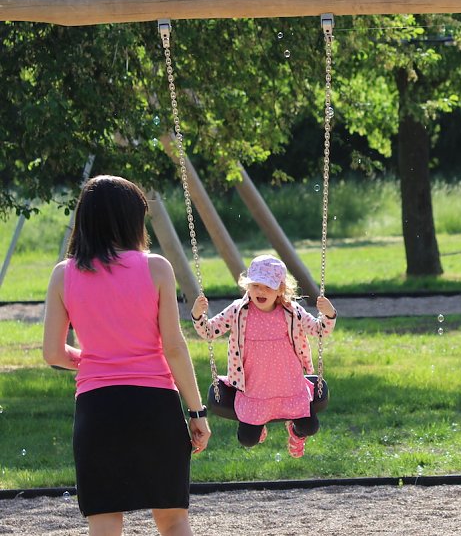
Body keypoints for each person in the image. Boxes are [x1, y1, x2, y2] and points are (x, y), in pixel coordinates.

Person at [42, 175, 211, 536]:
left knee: (104, 520)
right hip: (155, 405)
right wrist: (197, 411)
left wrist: (90, 359)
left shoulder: (63, 274)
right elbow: (174, 347)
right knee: (173, 518)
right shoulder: (156, 267)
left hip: (97, 409)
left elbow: (52, 352)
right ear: (133, 219)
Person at [191, 254, 336, 457]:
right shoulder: (238, 311)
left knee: (310, 427)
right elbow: (209, 331)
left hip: (289, 387)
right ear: (248, 286)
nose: (260, 291)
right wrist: (198, 315)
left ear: (280, 290)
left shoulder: (292, 311)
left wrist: (329, 314)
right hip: (255, 392)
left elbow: (319, 329)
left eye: (268, 286)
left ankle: (295, 432)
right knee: (247, 439)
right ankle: (259, 429)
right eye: (256, 285)